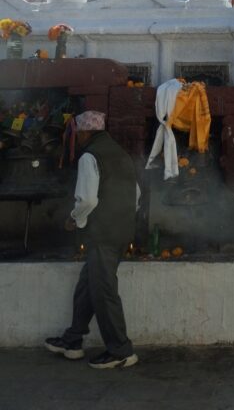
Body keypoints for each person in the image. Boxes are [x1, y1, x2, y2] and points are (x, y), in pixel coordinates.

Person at [44, 111, 139, 369]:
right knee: (88, 285)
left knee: (103, 291)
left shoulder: (90, 155)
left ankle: (121, 351)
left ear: (84, 132)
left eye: (77, 133)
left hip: (103, 234)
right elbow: (137, 195)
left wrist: (75, 219)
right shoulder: (120, 154)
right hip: (120, 232)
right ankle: (73, 340)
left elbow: (87, 199)